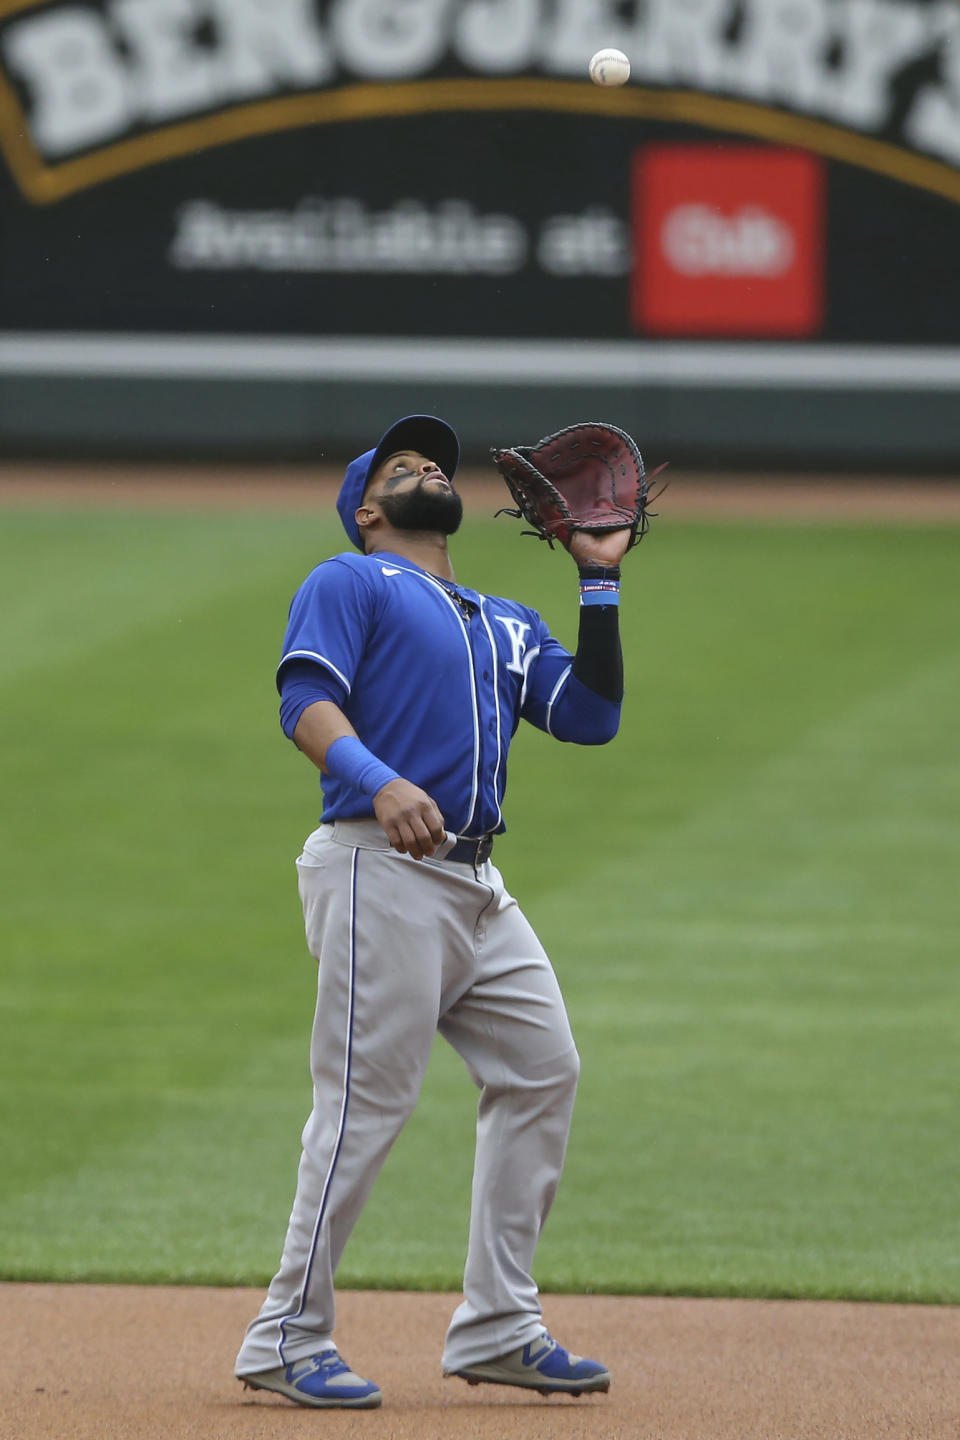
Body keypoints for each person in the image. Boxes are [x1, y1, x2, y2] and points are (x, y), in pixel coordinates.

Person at [235, 414, 633, 1409]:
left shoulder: (499, 616)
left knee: (544, 1069)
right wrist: (379, 781)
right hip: (380, 869)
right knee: (366, 1105)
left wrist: (598, 578)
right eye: (400, 466)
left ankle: (499, 1323)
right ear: (367, 510)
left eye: (434, 462)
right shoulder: (352, 583)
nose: (425, 468)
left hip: (475, 888)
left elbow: (589, 718)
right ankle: (285, 1337)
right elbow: (303, 703)